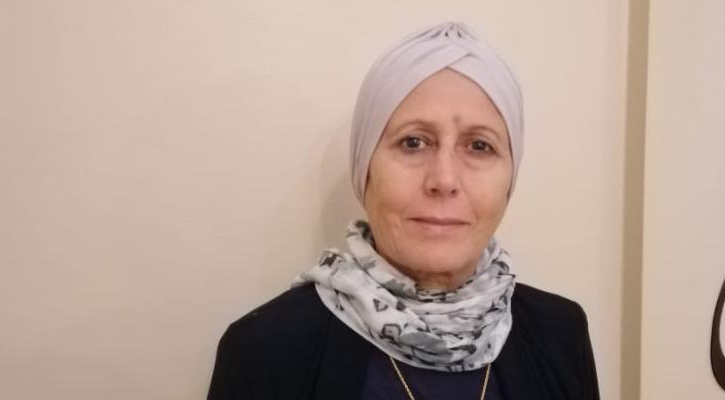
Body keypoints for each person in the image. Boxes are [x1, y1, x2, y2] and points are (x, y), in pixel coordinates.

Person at [208, 22, 600, 400]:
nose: (444, 179)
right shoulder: (264, 351)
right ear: (365, 169)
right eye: (413, 142)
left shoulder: (561, 334)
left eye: (479, 146)